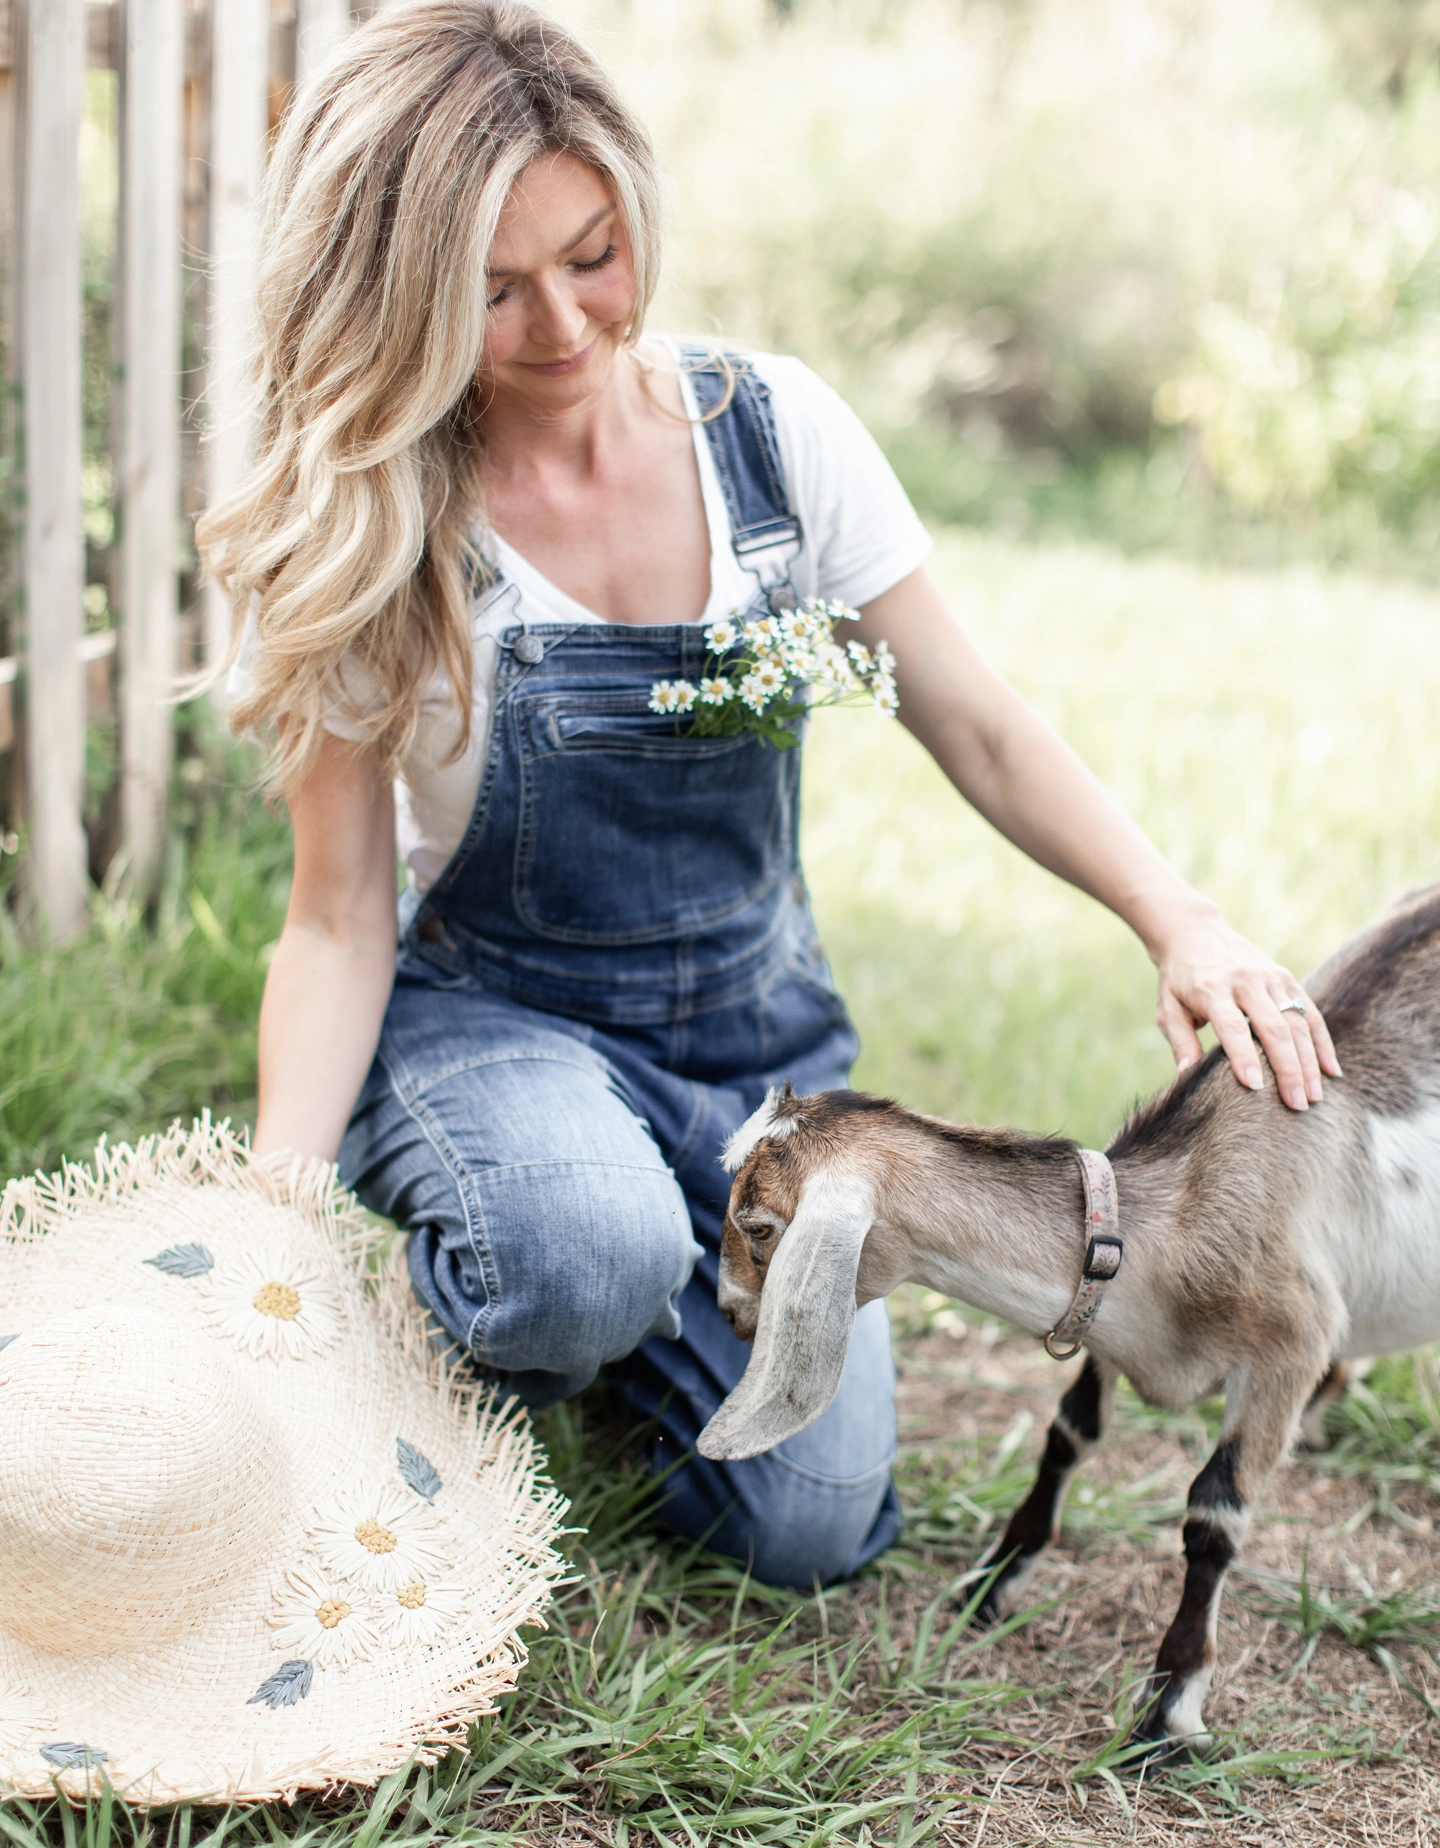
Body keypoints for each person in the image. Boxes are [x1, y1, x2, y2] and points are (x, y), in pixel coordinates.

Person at [199, 0, 1338, 1591]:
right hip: (498, 1029)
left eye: (594, 254)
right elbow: (333, 920)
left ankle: (590, 1300)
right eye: (492, 290)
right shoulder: (374, 521)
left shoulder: (773, 436)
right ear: (399, 297)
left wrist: (1182, 919)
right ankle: (512, 1288)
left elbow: (980, 725)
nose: (566, 327)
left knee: (805, 1529)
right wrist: (276, 1211)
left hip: (759, 1063)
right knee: (573, 1254)